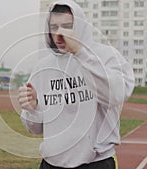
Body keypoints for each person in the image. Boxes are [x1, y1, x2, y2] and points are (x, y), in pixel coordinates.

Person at [18, 0, 135, 168]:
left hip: (95, 163)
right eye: (54, 27)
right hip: (51, 163)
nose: (59, 33)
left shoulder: (106, 56)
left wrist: (80, 52)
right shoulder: (43, 68)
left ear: (80, 26)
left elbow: (116, 95)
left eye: (67, 26)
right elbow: (35, 129)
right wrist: (32, 108)